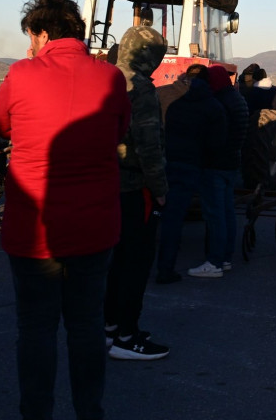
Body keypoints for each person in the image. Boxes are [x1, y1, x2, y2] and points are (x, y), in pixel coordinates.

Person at [0, 0, 130, 420]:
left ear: (41, 33)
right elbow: (119, 132)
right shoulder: (110, 77)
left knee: (36, 329)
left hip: (36, 228)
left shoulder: (24, 73)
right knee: (87, 326)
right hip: (94, 224)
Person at [104, 25, 171, 360]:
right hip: (134, 187)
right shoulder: (141, 89)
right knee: (136, 262)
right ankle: (127, 336)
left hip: (106, 182)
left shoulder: (106, 78)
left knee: (114, 262)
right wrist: (160, 191)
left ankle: (110, 327)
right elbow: (149, 147)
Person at [156, 66, 227, 283]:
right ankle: (168, 269)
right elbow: (218, 144)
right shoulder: (214, 106)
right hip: (195, 166)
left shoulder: (173, 103)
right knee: (194, 216)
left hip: (168, 163)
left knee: (168, 219)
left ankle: (162, 266)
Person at [189, 65, 247, 275]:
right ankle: (226, 258)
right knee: (227, 213)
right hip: (231, 162)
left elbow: (213, 137)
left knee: (215, 216)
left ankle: (214, 262)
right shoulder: (237, 99)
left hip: (215, 164)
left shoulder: (218, 103)